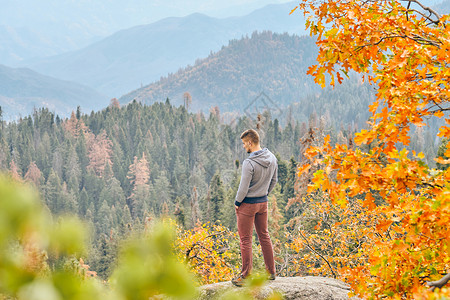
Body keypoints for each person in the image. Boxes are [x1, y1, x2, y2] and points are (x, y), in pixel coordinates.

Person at [231, 129, 277, 287]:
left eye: (244, 144)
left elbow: (243, 189)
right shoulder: (272, 158)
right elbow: (274, 181)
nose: (244, 147)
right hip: (263, 203)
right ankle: (271, 272)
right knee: (264, 235)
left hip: (248, 205)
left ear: (250, 142)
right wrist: (264, 194)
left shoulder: (249, 163)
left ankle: (245, 276)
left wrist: (237, 203)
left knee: (245, 240)